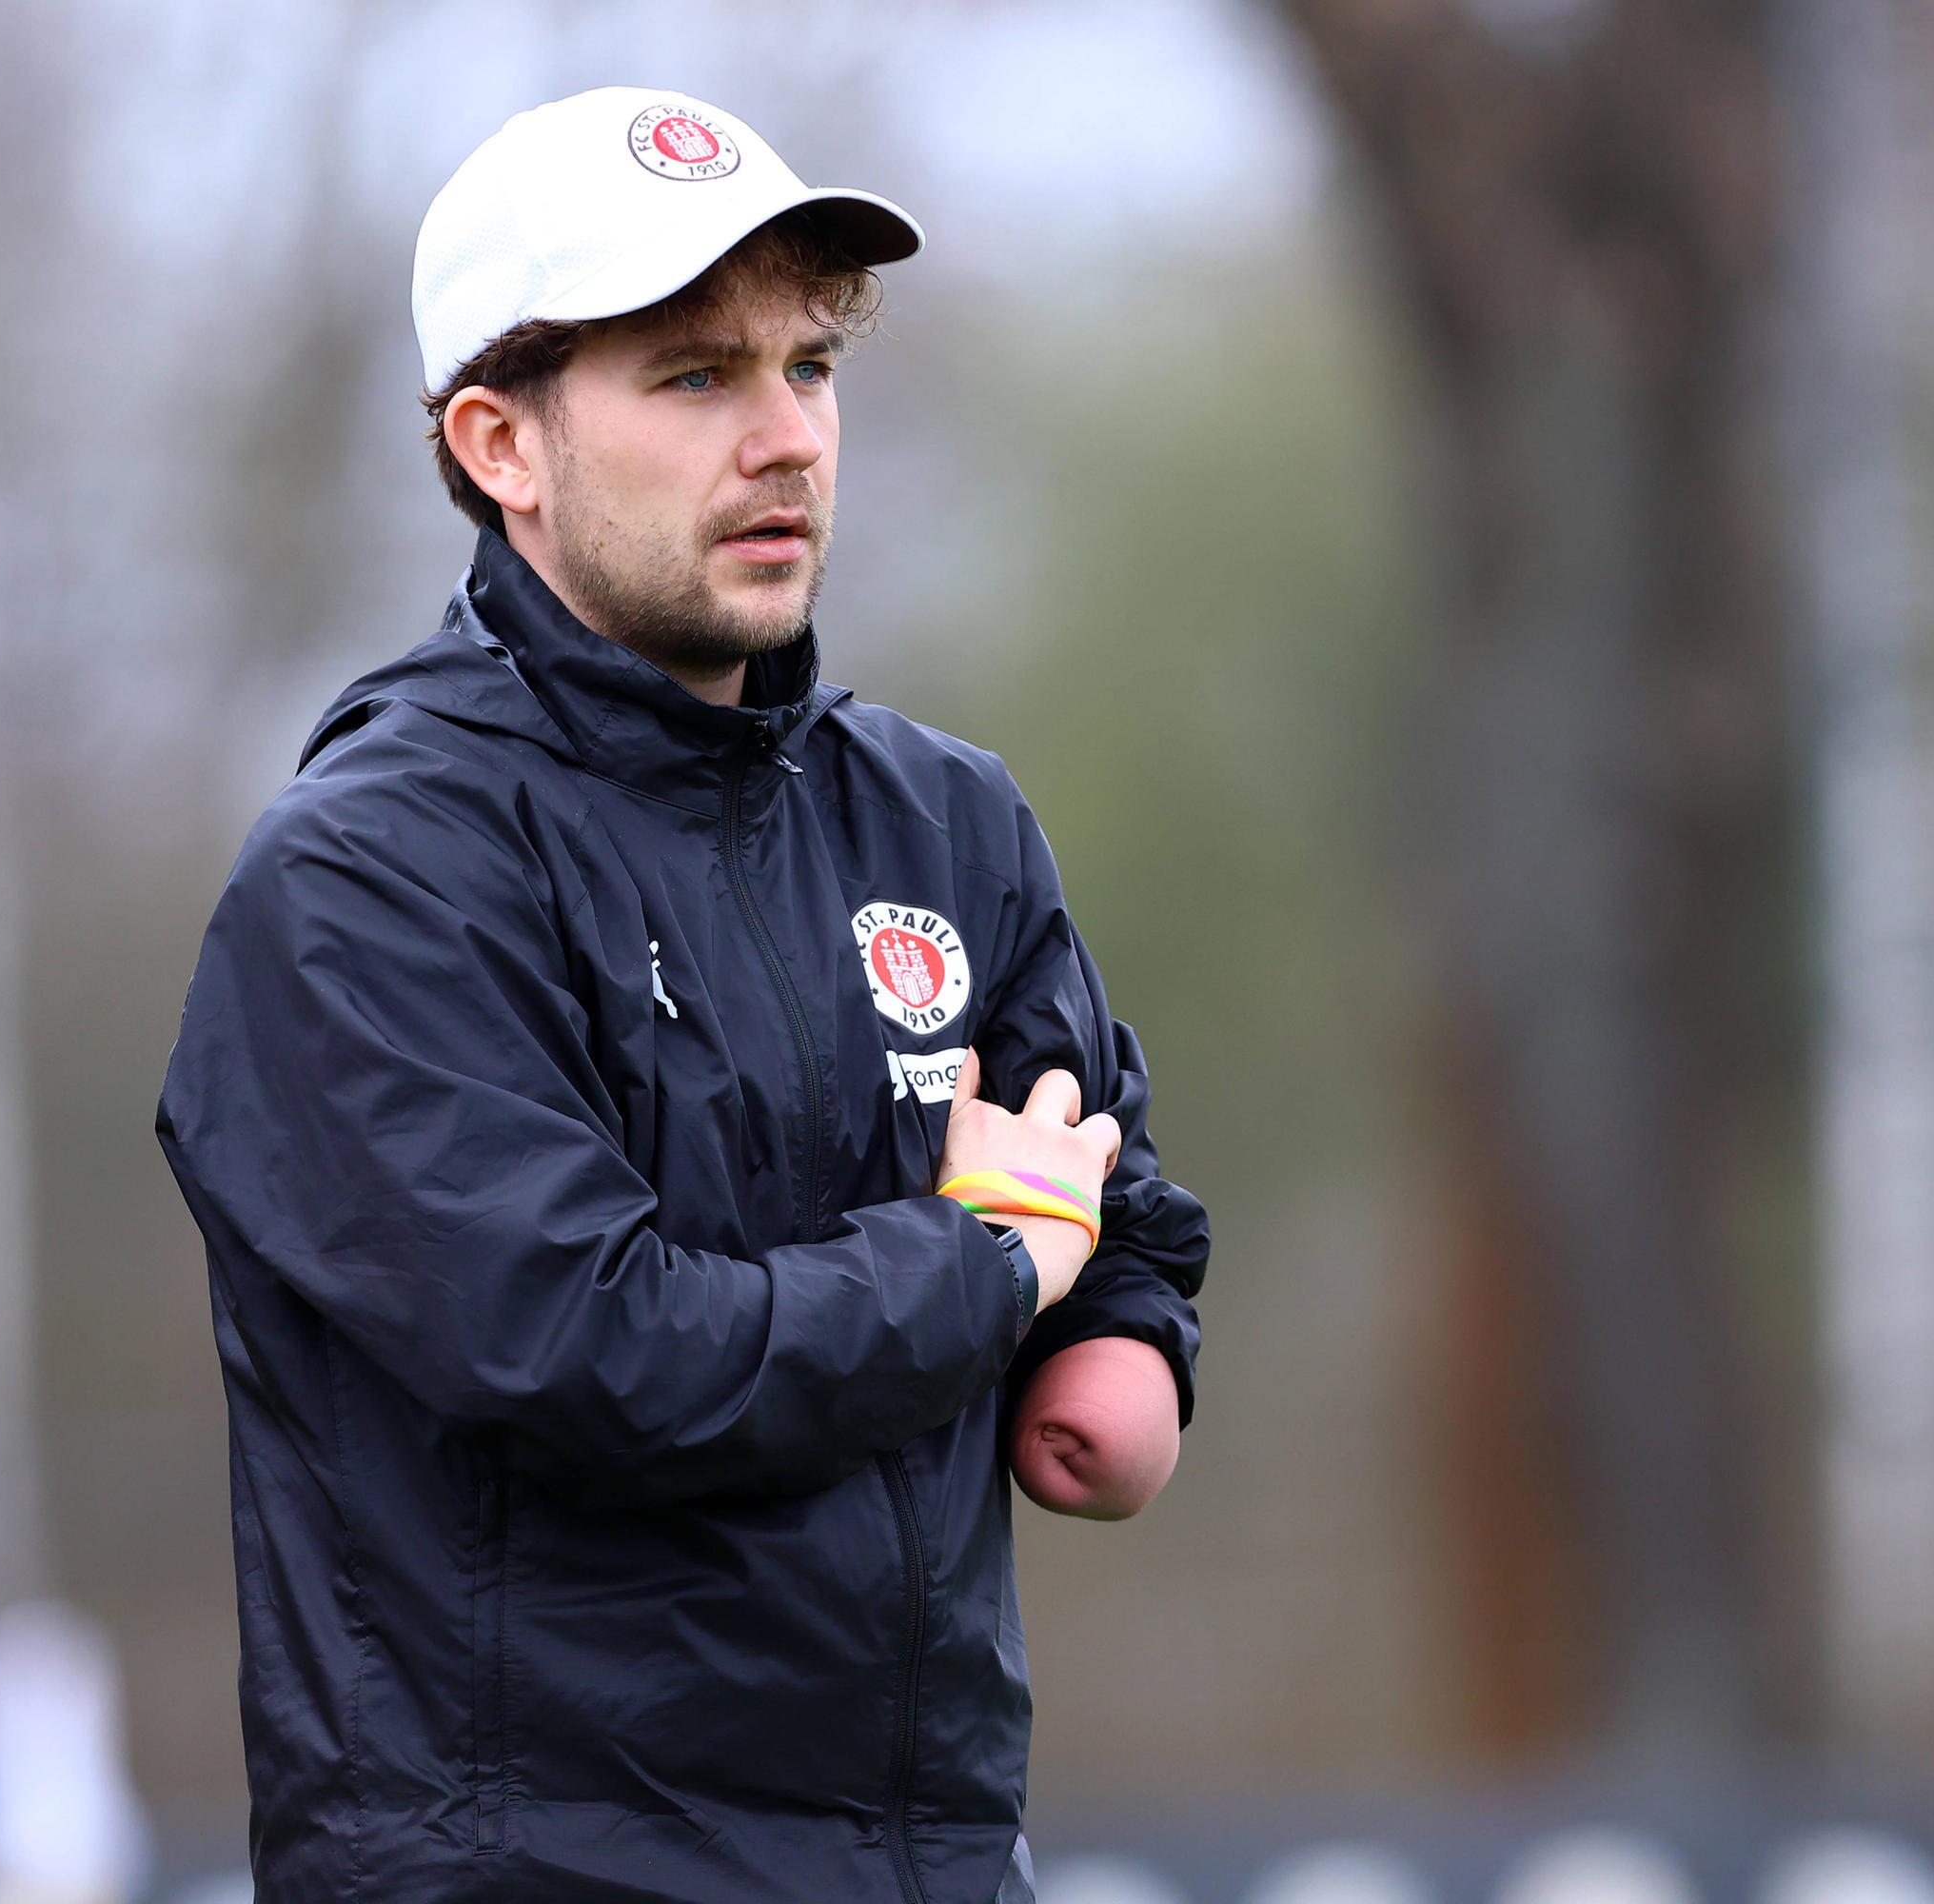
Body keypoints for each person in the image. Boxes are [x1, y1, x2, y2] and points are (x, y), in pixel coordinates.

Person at [155, 84, 1207, 1904]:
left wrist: (1123, 1338)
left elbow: (1098, 1191)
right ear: (502, 444)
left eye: (812, 366)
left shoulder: (943, 819)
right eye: (699, 377)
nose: (786, 438)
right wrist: (982, 1269)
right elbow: (602, 1356)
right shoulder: (369, 879)